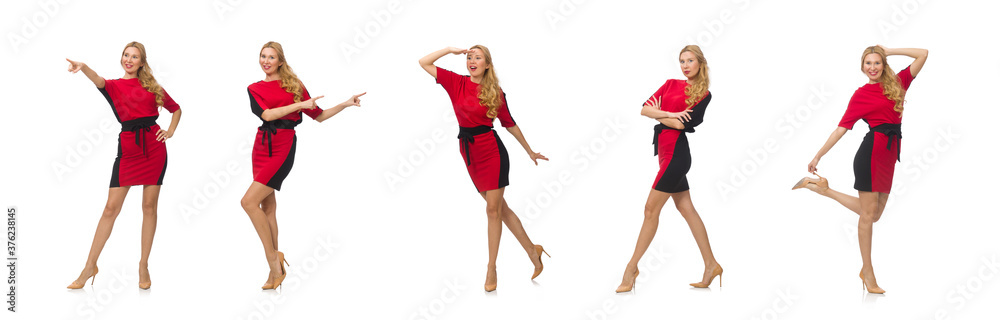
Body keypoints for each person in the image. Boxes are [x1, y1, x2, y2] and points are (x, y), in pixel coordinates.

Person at [793, 45, 928, 294]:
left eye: (877, 62)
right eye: (868, 63)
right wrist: (818, 155)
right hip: (872, 153)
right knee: (868, 217)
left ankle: (823, 189)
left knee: (875, 214)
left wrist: (889, 50)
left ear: (883, 64)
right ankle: (868, 271)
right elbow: (841, 129)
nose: (873, 67)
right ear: (862, 67)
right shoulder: (860, 95)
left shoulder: (898, 82)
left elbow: (923, 53)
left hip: (889, 155)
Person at [419, 45, 549, 292]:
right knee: (501, 209)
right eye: (469, 57)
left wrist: (529, 150)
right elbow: (423, 62)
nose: (471, 60)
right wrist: (449, 50)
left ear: (487, 64)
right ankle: (534, 251)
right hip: (469, 152)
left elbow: (509, 124)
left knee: (492, 210)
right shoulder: (455, 82)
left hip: (492, 151)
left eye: (477, 57)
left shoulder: (495, 92)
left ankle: (491, 267)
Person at [241, 41, 366, 290]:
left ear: (280, 61)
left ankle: (273, 260)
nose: (266, 61)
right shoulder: (253, 88)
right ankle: (273, 269)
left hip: (283, 146)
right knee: (267, 207)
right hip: (261, 147)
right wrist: (299, 105)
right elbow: (266, 115)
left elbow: (318, 115)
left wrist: (345, 103)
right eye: (262, 56)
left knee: (247, 202)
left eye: (271, 57)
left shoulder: (295, 85)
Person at [66, 41, 183, 290]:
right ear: (122, 58)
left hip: (153, 148)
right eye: (126, 55)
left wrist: (170, 132)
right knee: (110, 208)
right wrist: (83, 67)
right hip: (128, 149)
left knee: (149, 206)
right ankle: (90, 266)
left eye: (135, 56)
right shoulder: (114, 86)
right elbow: (97, 79)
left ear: (142, 62)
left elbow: (176, 109)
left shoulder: (152, 87)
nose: (129, 59)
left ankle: (143, 264)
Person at [616, 45, 722, 293]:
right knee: (686, 208)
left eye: (690, 60)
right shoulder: (669, 83)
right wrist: (668, 114)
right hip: (664, 154)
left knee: (650, 209)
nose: (685, 65)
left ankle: (631, 268)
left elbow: (682, 125)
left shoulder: (703, 94)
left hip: (677, 155)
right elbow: (644, 109)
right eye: (682, 61)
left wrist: (661, 115)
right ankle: (711, 264)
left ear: (700, 64)